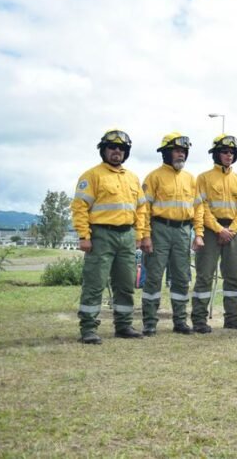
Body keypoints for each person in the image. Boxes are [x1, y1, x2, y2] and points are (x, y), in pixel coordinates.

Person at [72, 129, 147, 344]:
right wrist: (84, 236)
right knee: (95, 283)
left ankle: (123, 325)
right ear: (104, 150)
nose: (117, 151)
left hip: (127, 236)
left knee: (125, 284)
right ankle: (88, 328)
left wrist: (139, 234)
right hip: (101, 235)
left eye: (121, 148)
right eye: (112, 147)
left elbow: (141, 209)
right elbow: (80, 207)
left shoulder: (132, 178)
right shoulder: (92, 176)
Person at [140, 133, 204, 335]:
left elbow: (199, 208)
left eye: (184, 152)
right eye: (177, 151)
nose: (181, 155)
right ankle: (150, 322)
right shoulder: (153, 177)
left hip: (184, 231)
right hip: (159, 230)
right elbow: (144, 209)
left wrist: (199, 234)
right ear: (166, 153)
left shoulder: (190, 179)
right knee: (154, 277)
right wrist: (145, 235)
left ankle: (180, 321)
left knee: (181, 277)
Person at [192, 135, 237, 331]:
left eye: (232, 152)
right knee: (205, 276)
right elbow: (202, 206)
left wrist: (231, 230)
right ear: (216, 154)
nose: (229, 155)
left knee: (233, 276)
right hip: (211, 231)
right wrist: (218, 229)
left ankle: (232, 318)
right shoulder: (204, 178)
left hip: (232, 232)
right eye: (225, 152)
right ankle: (199, 319)